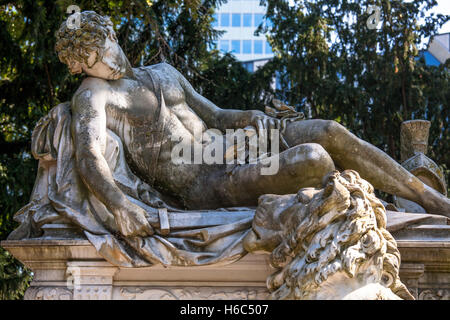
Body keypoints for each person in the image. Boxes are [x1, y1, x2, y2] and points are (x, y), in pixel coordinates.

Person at [54, 11, 450, 237]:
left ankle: (433, 202)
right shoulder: (94, 94)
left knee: (328, 131)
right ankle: (362, 213)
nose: (106, 64)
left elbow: (216, 116)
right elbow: (90, 156)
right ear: (81, 69)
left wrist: (254, 119)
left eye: (104, 50)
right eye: (91, 63)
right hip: (204, 184)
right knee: (312, 157)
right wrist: (120, 204)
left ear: (111, 33)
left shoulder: (164, 71)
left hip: (234, 145)